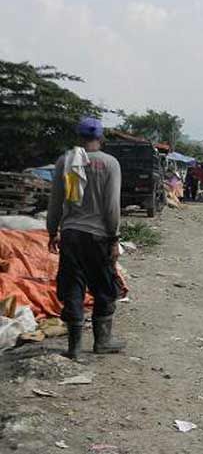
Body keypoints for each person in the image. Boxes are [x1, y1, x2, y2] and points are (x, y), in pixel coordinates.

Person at [47, 117, 125, 361]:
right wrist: (114, 238)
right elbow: (112, 206)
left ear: (78, 137)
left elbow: (56, 201)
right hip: (98, 236)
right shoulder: (110, 163)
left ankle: (74, 347)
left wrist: (52, 230)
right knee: (104, 287)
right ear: (101, 138)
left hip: (70, 234)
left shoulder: (65, 161)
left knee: (72, 286)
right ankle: (102, 341)